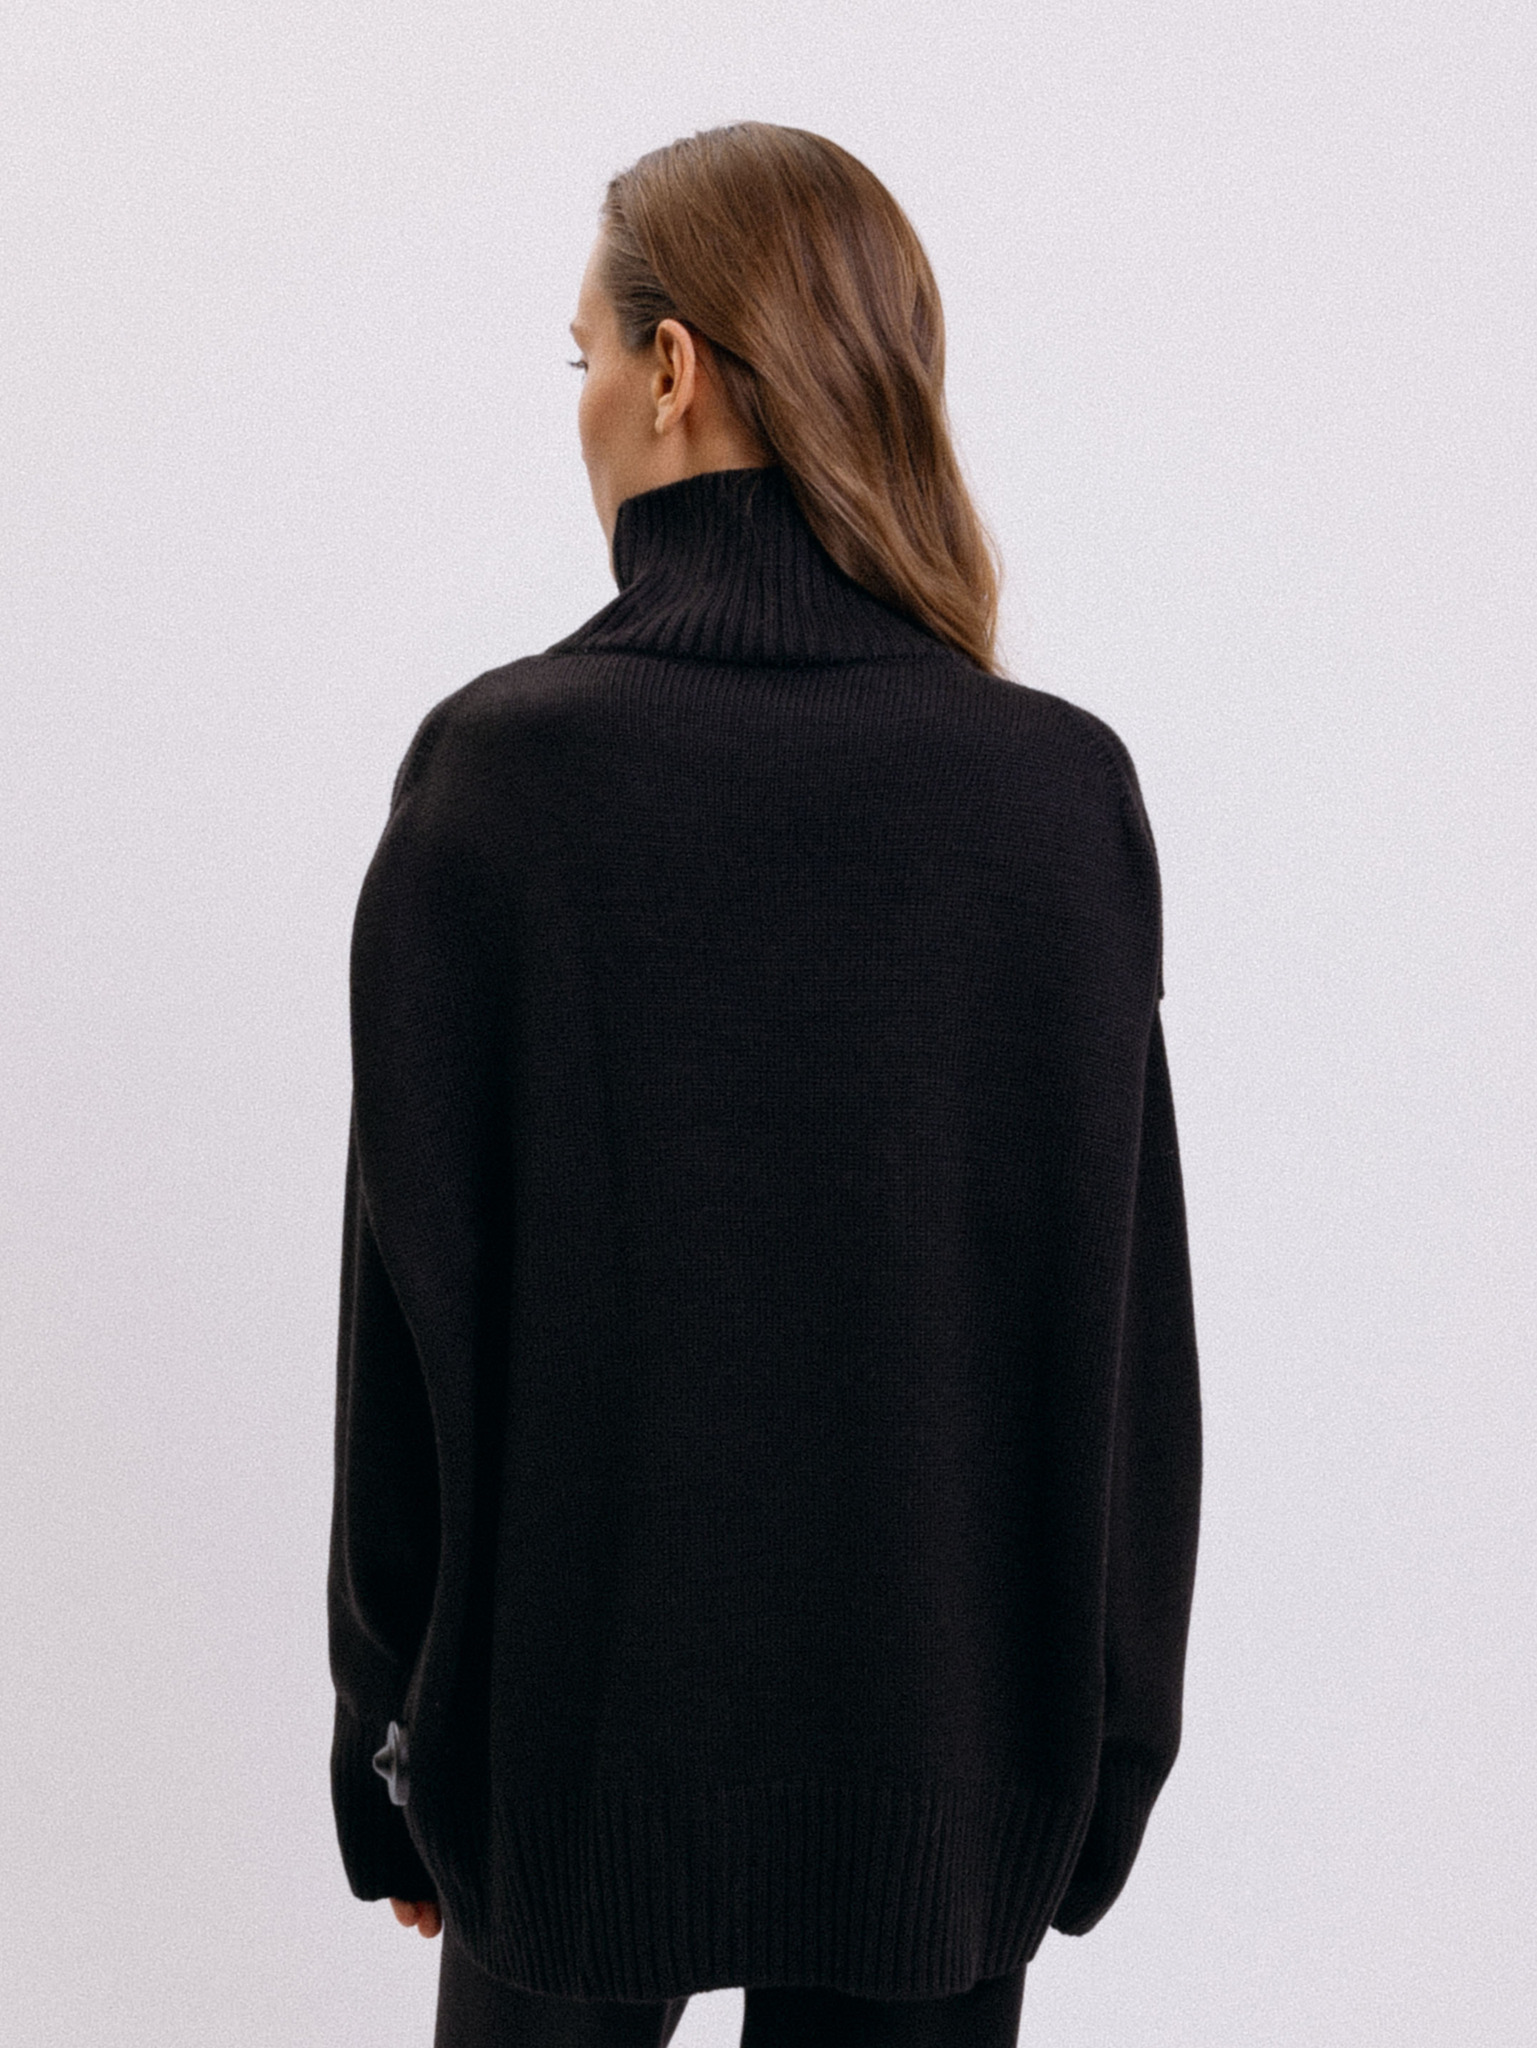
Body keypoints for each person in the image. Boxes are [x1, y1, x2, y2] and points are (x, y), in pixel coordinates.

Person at [327, 122, 1202, 2048]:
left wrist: (384, 1748)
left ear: (671, 369)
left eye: (581, 357)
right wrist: (1106, 1753)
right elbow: (1122, 1348)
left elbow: (411, 1323)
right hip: (949, 1767)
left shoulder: (501, 779)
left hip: (566, 1757)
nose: (578, 406)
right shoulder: (1055, 797)